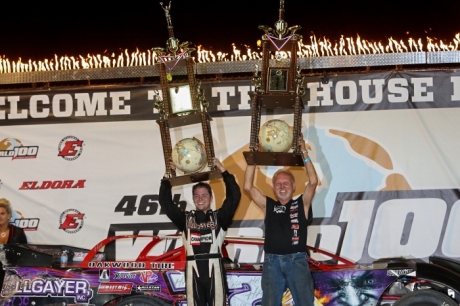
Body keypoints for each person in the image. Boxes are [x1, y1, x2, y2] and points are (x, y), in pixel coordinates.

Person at [243, 137, 318, 306]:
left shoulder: (302, 203)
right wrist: (253, 158)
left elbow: (313, 181)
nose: (282, 186)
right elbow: (248, 187)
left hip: (297, 261)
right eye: (278, 184)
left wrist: (304, 151)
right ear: (273, 188)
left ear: (293, 186)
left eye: (285, 183)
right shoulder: (268, 205)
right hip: (272, 264)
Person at [159, 157, 241, 306]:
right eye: (196, 196)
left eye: (204, 195)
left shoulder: (220, 217)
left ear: (211, 197)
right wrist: (167, 177)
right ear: (193, 199)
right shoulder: (185, 219)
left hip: (215, 269)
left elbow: (234, 197)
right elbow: (165, 203)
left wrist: (223, 171)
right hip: (192, 271)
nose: (200, 199)